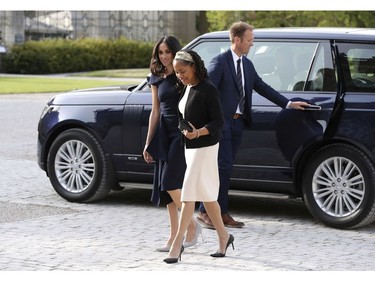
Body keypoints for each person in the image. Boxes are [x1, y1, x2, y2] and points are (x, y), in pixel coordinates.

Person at [197, 21, 311, 229]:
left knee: (225, 168)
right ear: (238, 40)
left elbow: (262, 87)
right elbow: (206, 91)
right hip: (222, 125)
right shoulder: (220, 62)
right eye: (249, 41)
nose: (252, 45)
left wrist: (287, 103)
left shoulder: (247, 65)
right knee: (221, 168)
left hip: (238, 125)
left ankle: (215, 211)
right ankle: (211, 212)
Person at [163, 50, 234, 264]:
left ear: (193, 67)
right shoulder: (187, 88)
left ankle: (177, 245)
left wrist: (198, 132)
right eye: (176, 72)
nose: (180, 76)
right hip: (190, 147)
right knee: (208, 196)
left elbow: (218, 122)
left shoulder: (208, 89)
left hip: (205, 147)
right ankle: (224, 236)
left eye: (182, 71)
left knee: (188, 195)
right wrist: (185, 130)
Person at [143, 36, 201, 253]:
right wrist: (148, 142)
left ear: (176, 52)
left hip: (180, 133)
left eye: (168, 52)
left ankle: (193, 226)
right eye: (160, 53)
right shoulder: (155, 77)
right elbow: (155, 111)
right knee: (166, 190)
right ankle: (173, 236)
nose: (164, 56)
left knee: (170, 182)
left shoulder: (182, 74)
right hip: (163, 134)